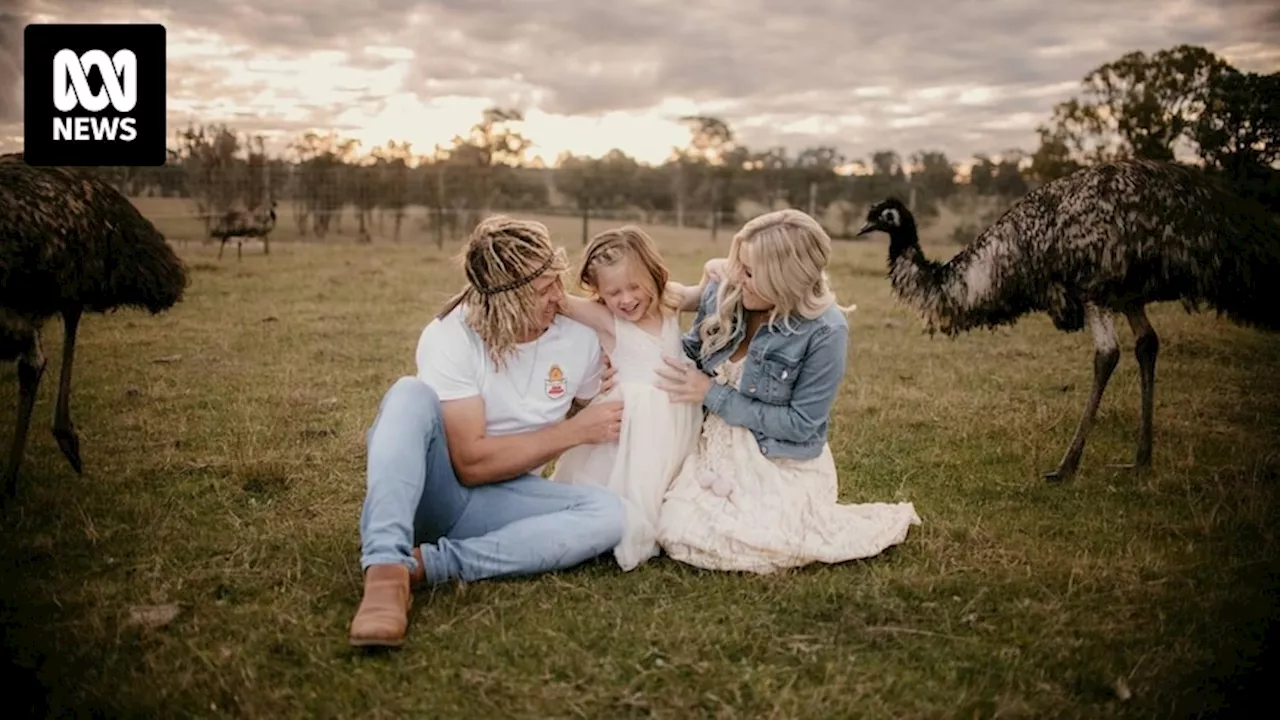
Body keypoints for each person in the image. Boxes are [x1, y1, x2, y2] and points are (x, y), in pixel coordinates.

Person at [349, 216, 627, 648]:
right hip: (439, 491)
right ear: (505, 302)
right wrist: (573, 432)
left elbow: (602, 389)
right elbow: (470, 463)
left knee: (612, 516)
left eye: (557, 281)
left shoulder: (577, 335)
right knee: (408, 394)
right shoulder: (452, 336)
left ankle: (425, 567)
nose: (560, 298)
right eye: (542, 292)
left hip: (504, 501)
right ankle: (385, 568)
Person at [653, 209, 922, 574]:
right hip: (713, 443)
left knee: (749, 541)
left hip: (780, 456)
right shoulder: (729, 292)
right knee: (677, 529)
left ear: (784, 279)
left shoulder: (826, 330)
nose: (738, 278)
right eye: (740, 265)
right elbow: (689, 351)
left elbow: (800, 423)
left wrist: (711, 394)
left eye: (750, 273)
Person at [550, 226, 712, 571]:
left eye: (634, 286)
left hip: (678, 420)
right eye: (612, 292)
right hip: (632, 427)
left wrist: (718, 267)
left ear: (654, 276)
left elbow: (704, 293)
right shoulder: (606, 319)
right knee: (630, 485)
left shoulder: (670, 301)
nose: (625, 299)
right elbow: (555, 301)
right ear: (598, 293)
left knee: (668, 479)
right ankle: (617, 525)